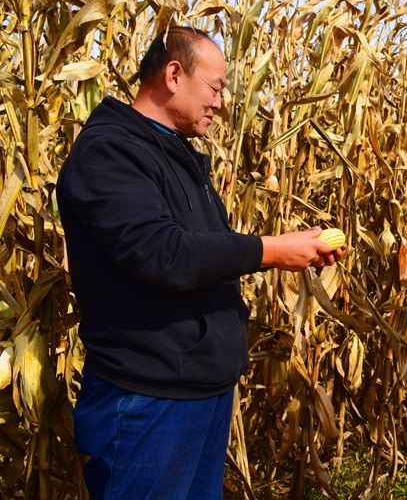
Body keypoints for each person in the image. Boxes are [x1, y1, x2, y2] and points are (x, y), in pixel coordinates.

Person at [57, 26, 343, 499]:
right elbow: (162, 253)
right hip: (146, 401)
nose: (219, 102)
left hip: (196, 394)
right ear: (173, 74)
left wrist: (295, 247)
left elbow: (205, 251)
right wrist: (272, 250)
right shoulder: (110, 152)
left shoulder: (177, 155)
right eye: (214, 87)